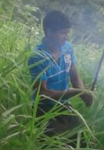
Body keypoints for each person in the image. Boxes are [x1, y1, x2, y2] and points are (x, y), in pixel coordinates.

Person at [28, 10, 93, 138]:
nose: (66, 37)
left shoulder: (67, 48)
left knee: (83, 141)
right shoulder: (38, 57)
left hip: (63, 105)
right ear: (49, 32)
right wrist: (76, 92)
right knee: (57, 149)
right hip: (43, 110)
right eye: (62, 33)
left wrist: (84, 93)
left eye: (67, 33)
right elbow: (43, 94)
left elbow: (74, 76)